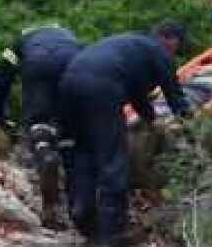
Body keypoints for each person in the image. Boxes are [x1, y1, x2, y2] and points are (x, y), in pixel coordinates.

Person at [57, 22, 192, 247]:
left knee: (83, 150)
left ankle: (82, 211)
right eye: (178, 46)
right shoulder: (159, 53)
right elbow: (175, 98)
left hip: (69, 81)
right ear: (171, 40)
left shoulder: (130, 45)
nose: (175, 51)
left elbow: (136, 93)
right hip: (102, 87)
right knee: (113, 158)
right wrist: (194, 129)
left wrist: (150, 119)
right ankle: (111, 233)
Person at [0, 24, 83, 227]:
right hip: (72, 61)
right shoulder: (70, 36)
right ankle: (78, 204)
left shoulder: (22, 41)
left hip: (37, 63)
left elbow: (1, 77)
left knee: (38, 123)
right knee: (68, 129)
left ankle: (44, 154)